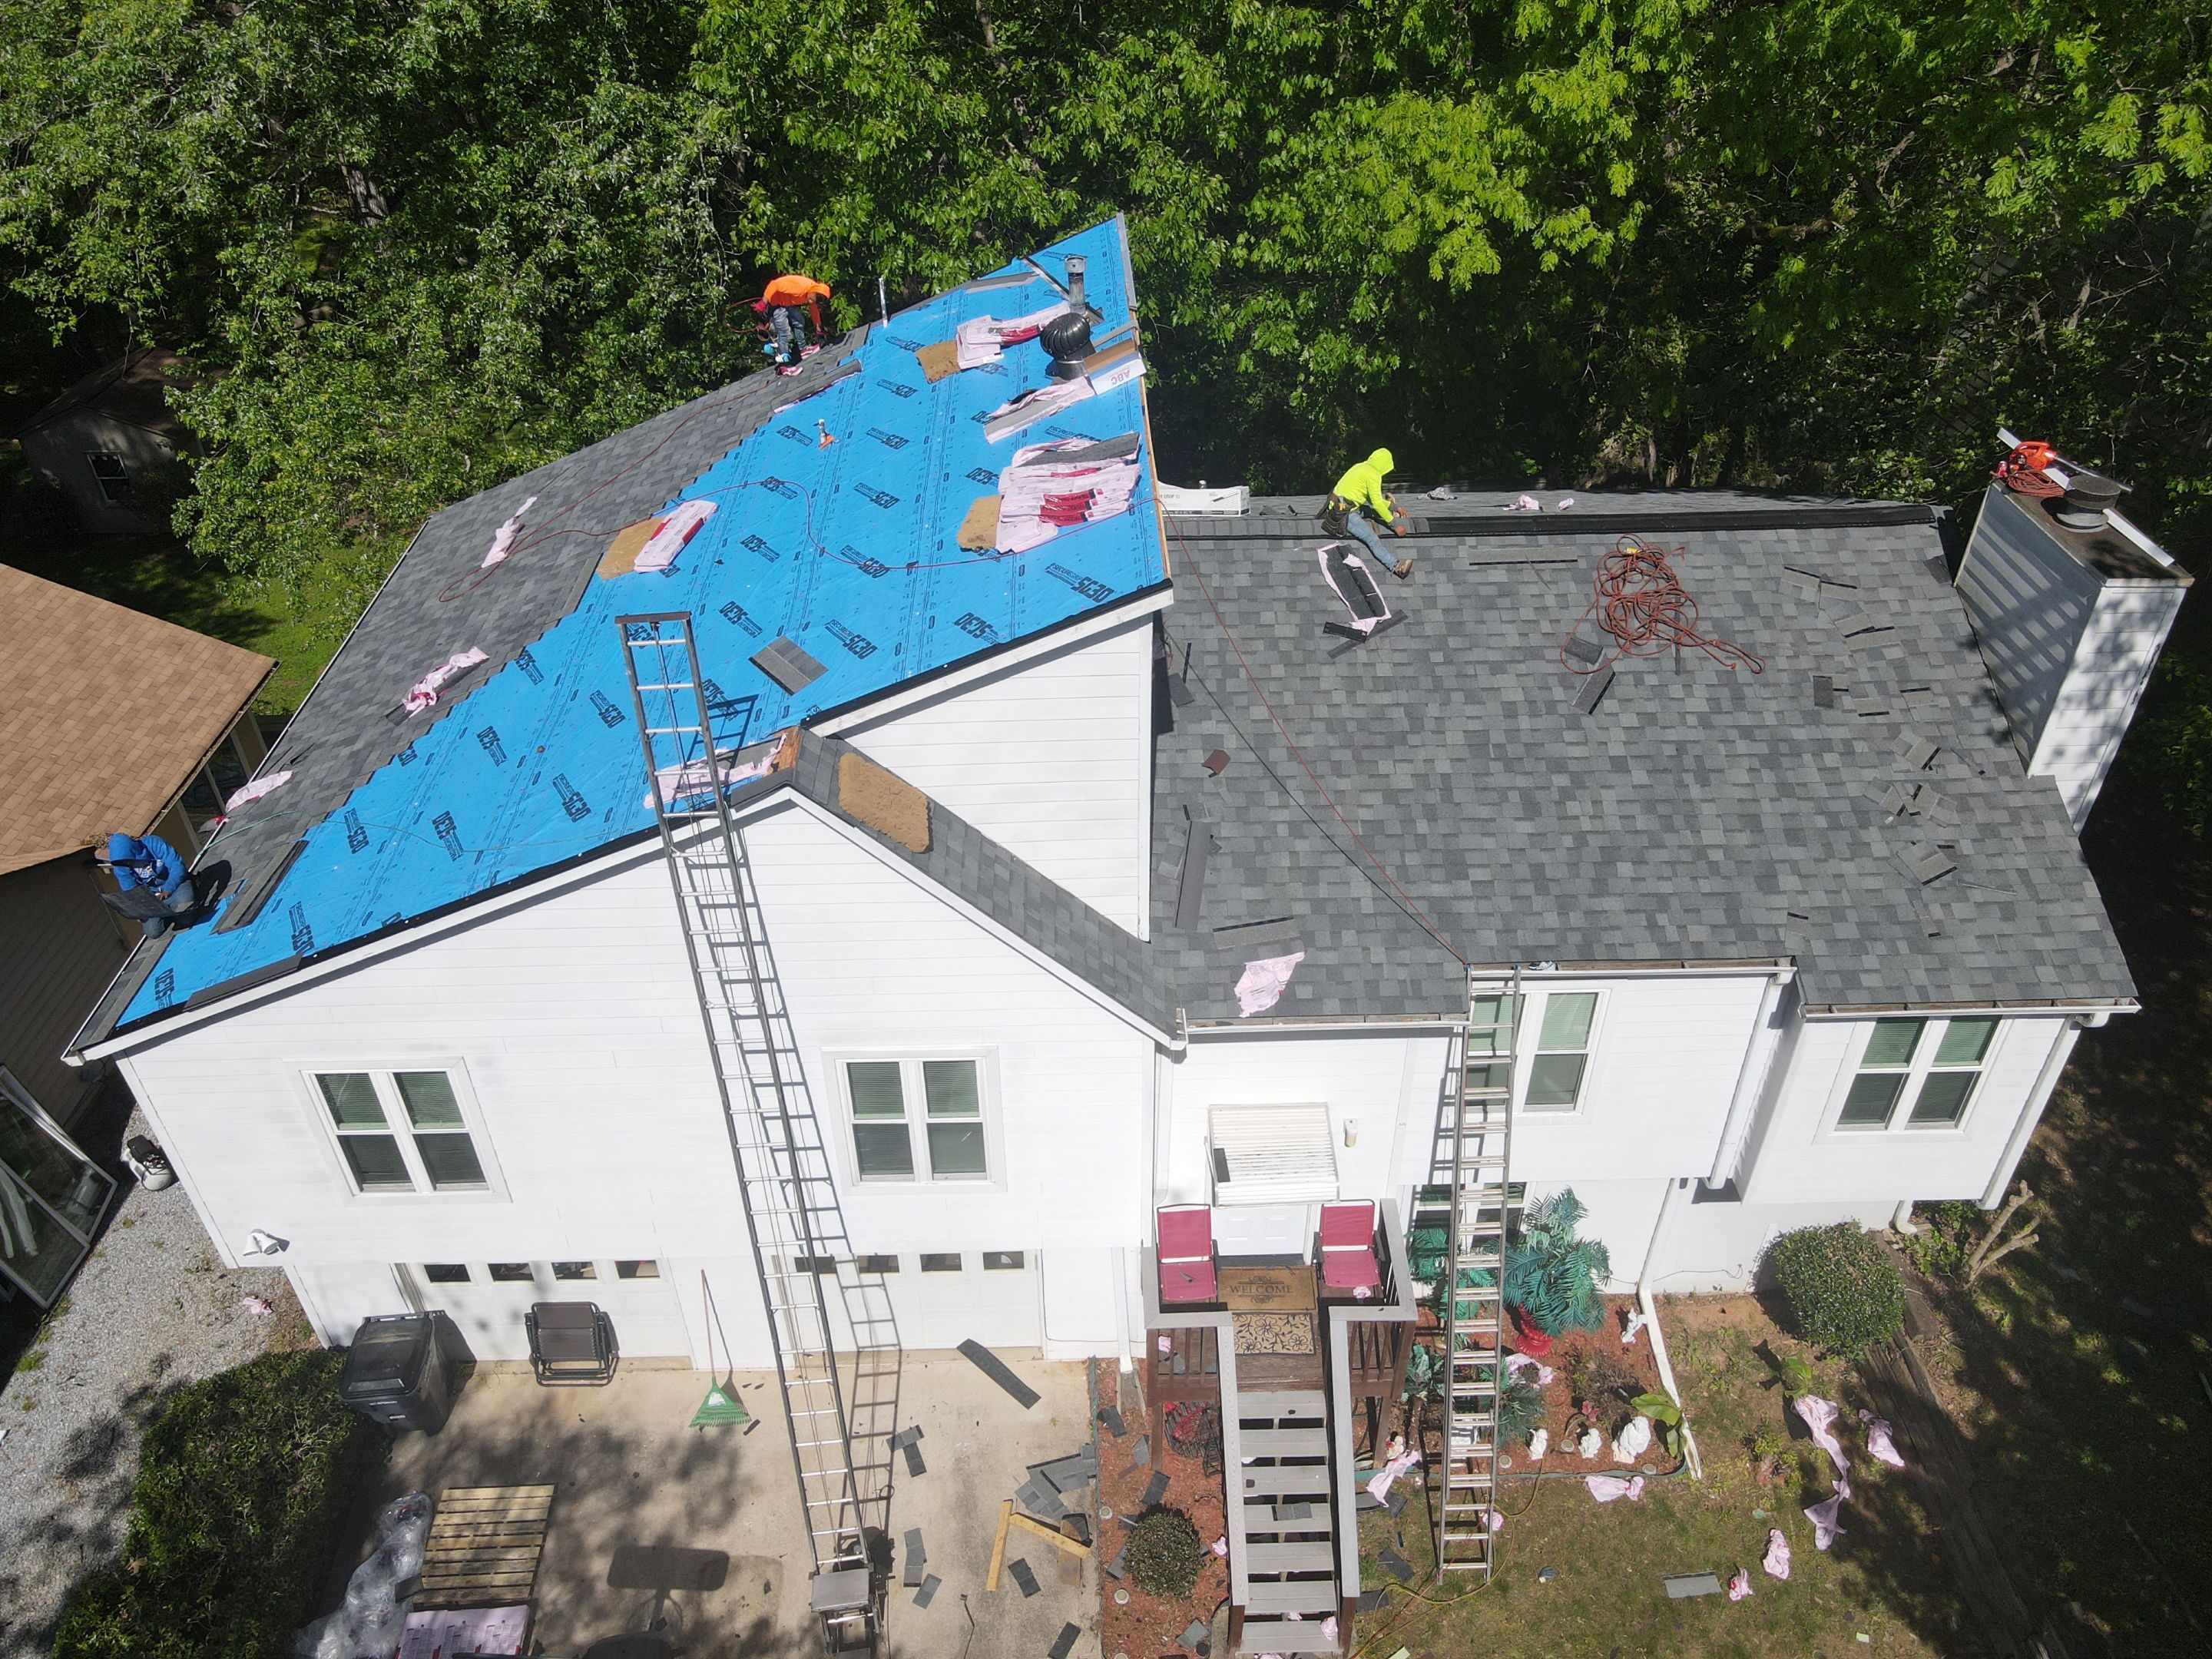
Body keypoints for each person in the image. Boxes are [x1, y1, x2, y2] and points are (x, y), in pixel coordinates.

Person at [1323, 447, 1413, 579]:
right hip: (1343, 514)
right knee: (1372, 539)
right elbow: (1377, 503)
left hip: (1340, 507)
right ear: (1385, 464)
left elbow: (1372, 500)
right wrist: (1395, 525)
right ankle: (1396, 566)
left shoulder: (1361, 467)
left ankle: (1388, 514)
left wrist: (1394, 507)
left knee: (1370, 512)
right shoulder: (1373, 474)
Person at [98, 831, 199, 937]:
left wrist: (167, 890)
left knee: (186, 920)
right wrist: (138, 911)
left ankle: (192, 892)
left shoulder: (153, 843)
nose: (126, 863)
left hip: (177, 886)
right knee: (153, 933)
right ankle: (169, 914)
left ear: (132, 850)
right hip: (154, 900)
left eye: (127, 859)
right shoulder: (121, 867)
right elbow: (132, 891)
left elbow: (177, 867)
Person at [753, 273, 834, 371]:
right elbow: (774, 284)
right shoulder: (800, 287)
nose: (811, 301)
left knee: (799, 321)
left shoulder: (812, 295)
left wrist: (819, 330)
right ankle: (785, 366)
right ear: (815, 292)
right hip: (774, 306)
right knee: (785, 333)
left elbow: (814, 311)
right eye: (814, 299)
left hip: (785, 304)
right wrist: (763, 302)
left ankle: (803, 350)